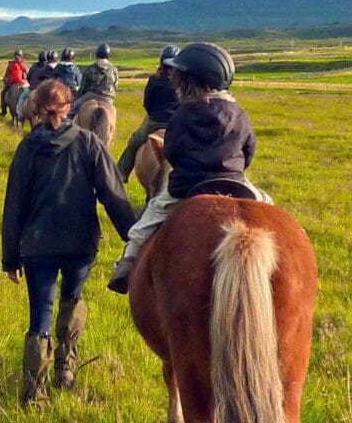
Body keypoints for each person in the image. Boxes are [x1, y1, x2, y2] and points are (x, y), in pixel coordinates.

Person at [2, 78, 137, 404]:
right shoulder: (90, 143)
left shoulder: (27, 148)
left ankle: (34, 395)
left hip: (38, 246)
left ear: (33, 107)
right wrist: (134, 239)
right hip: (80, 244)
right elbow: (113, 196)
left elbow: (14, 204)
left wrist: (10, 258)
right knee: (72, 298)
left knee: (40, 316)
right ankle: (67, 365)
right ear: (69, 108)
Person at [106, 42, 270, 295]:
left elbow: (172, 152)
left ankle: (126, 265)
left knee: (144, 224)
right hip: (236, 182)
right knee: (271, 209)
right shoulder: (239, 112)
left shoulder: (184, 113)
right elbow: (249, 151)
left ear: (189, 81)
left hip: (186, 187)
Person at [117, 45, 179, 180]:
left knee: (135, 141)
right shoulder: (181, 82)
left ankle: (121, 173)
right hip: (176, 123)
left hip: (155, 120)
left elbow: (147, 102)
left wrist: (153, 114)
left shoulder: (154, 80)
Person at [74, 43, 118, 111]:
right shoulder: (114, 70)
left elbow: (83, 87)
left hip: (91, 95)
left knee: (72, 108)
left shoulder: (90, 68)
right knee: (114, 112)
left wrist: (79, 96)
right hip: (108, 98)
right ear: (108, 55)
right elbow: (115, 86)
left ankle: (67, 121)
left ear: (97, 54)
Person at [0, 50, 28, 117]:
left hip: (11, 82)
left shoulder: (11, 64)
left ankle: (4, 111)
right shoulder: (23, 64)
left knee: (3, 93)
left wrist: (4, 79)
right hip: (22, 82)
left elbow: (6, 75)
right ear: (21, 56)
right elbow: (27, 73)